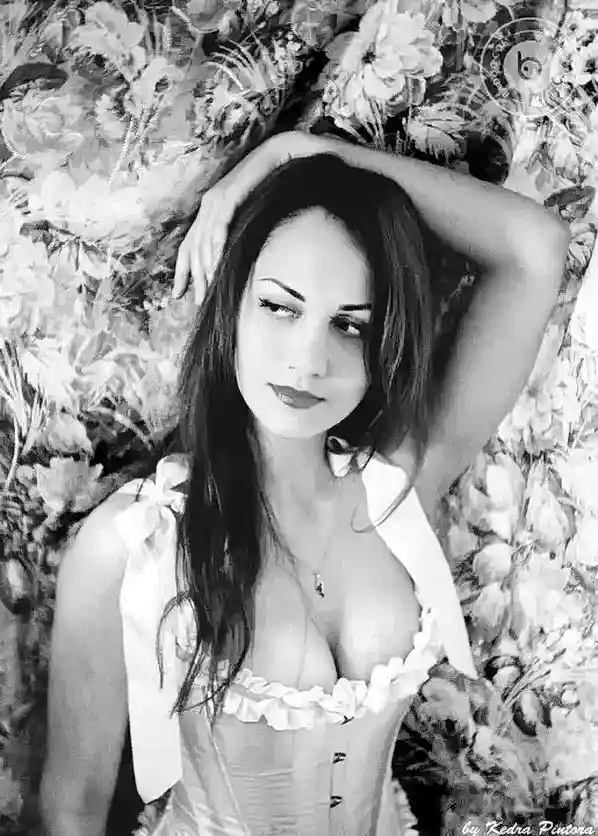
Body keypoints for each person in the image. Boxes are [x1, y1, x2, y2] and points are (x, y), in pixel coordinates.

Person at [39, 134, 569, 836]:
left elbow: (535, 249)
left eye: (350, 327)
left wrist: (298, 153)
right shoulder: (133, 545)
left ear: (385, 346)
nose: (307, 360)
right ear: (230, 304)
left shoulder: (400, 483)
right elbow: (71, 811)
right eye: (279, 307)